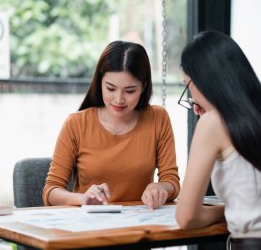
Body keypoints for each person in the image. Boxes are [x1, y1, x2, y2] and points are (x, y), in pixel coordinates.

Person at [176, 30, 261, 248]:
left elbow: (186, 217)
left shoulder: (213, 123)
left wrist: (222, 210)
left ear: (204, 81)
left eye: (188, 85)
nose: (191, 97)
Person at [43, 40, 180, 209]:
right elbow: (51, 191)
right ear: (100, 82)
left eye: (130, 91)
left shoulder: (158, 118)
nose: (119, 99)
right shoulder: (76, 124)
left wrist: (160, 187)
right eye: (111, 88)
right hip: (90, 226)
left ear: (144, 86)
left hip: (141, 226)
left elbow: (171, 181)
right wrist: (82, 199)